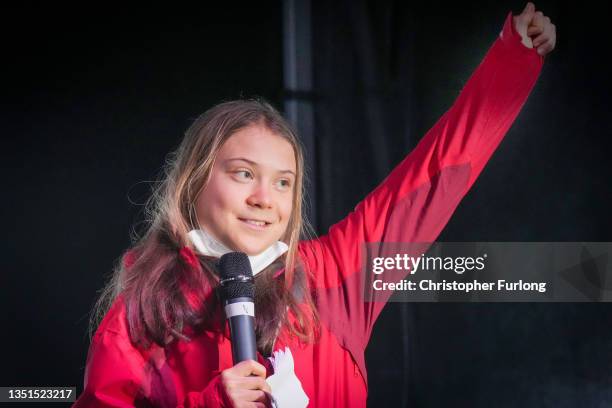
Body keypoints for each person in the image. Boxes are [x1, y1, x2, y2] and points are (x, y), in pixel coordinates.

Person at [73, 3, 556, 407]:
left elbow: (438, 171)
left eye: (283, 183)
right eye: (244, 174)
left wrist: (512, 62)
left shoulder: (335, 276)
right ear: (195, 181)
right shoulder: (142, 314)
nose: (265, 199)